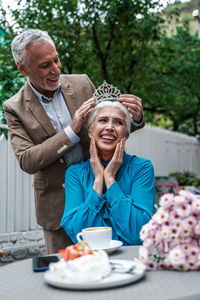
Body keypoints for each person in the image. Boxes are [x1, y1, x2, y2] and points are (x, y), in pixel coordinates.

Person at [3, 29, 144, 254]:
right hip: (57, 209)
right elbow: (27, 160)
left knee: (109, 267)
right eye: (44, 65)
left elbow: (107, 128)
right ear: (22, 68)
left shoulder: (82, 84)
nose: (55, 70)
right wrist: (71, 131)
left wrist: (135, 119)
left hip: (100, 196)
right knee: (65, 273)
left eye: (56, 60)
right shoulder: (14, 107)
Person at [61, 83, 155, 245]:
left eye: (118, 122)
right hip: (91, 261)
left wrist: (110, 179)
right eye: (103, 120)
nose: (110, 127)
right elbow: (77, 233)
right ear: (90, 130)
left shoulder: (142, 168)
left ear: (126, 133)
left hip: (132, 259)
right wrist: (98, 180)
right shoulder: (75, 173)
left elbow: (139, 232)